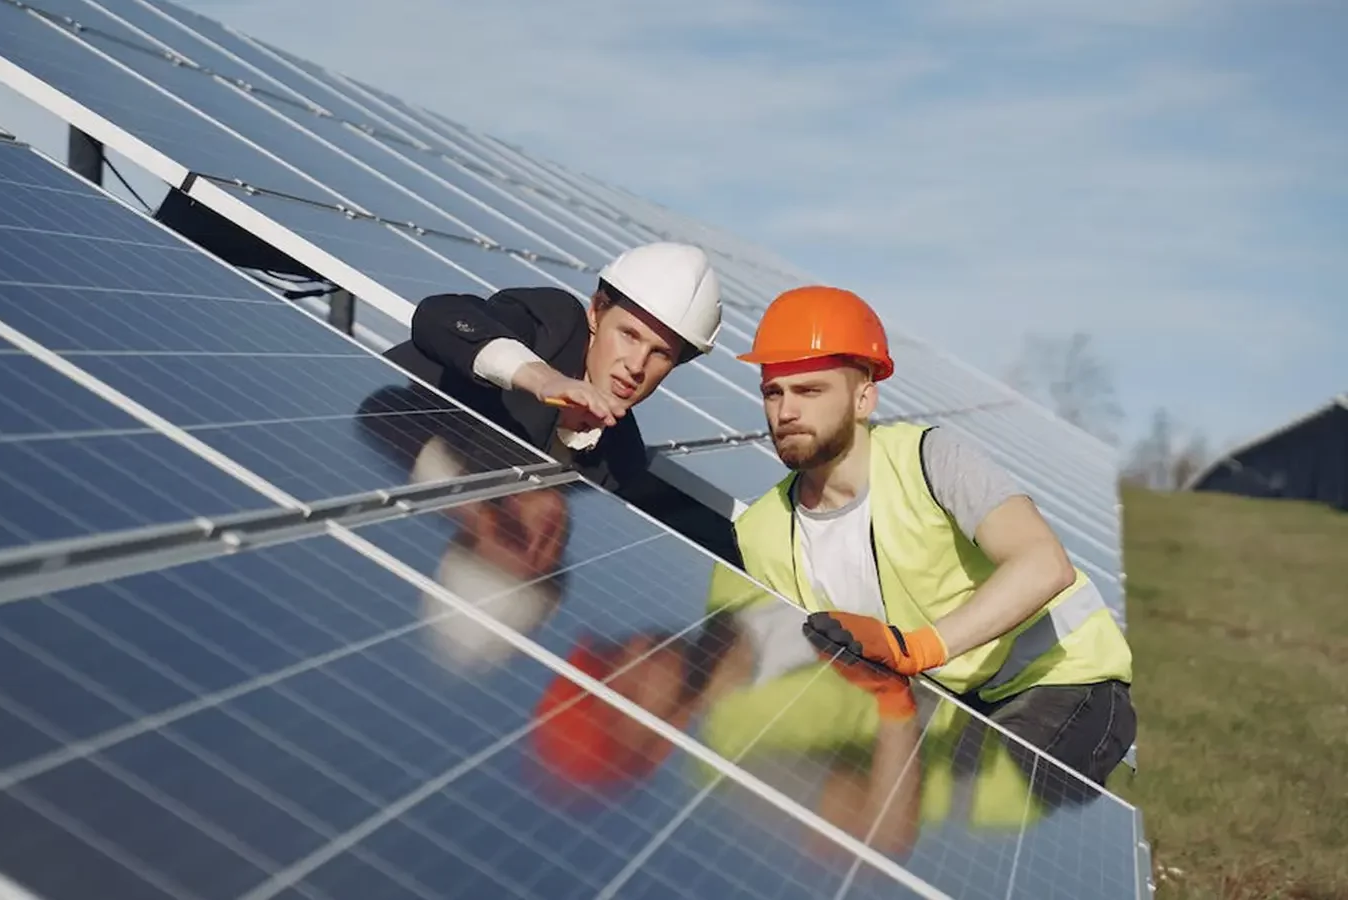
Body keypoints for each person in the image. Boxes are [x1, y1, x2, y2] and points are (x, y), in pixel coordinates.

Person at [722, 284, 1136, 787]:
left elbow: (1043, 563)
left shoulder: (928, 459)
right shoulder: (761, 531)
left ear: (864, 397)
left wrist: (917, 649)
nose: (785, 412)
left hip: (1062, 678)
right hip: (943, 706)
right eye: (773, 391)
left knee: (1000, 801)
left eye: (810, 391)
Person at [380, 241, 742, 566]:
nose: (636, 365)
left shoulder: (622, 460)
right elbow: (440, 315)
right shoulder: (555, 324)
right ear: (597, 312)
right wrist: (542, 379)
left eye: (660, 354)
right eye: (629, 335)